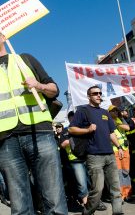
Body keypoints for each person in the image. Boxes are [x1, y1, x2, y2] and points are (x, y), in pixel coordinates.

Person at [0, 33, 67, 214]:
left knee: (54, 199)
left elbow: (54, 90)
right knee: (20, 206)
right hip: (5, 140)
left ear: (3, 37)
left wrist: (39, 86)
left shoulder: (25, 59)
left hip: (39, 133)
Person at [68, 86, 124, 215]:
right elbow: (71, 129)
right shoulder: (83, 111)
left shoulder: (105, 112)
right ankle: (87, 212)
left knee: (115, 187)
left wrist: (119, 147)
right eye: (95, 93)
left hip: (110, 154)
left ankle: (118, 212)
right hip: (94, 156)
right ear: (89, 96)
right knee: (97, 189)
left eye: (100, 93)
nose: (98, 95)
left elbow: (111, 133)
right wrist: (87, 130)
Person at [108, 105, 132, 202]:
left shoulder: (120, 119)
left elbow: (128, 128)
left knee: (126, 172)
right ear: (109, 112)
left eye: (116, 110)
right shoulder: (107, 121)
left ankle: (127, 194)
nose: (115, 112)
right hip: (115, 150)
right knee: (118, 173)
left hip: (125, 149)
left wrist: (117, 124)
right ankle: (120, 195)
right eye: (113, 111)